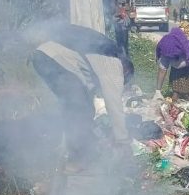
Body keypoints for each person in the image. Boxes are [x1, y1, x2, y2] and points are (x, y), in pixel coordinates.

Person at [30, 23, 133, 171]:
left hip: (44, 56)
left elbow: (88, 89)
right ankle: (78, 160)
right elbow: (114, 104)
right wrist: (123, 141)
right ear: (126, 71)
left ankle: (68, 148)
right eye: (124, 82)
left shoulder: (104, 57)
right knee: (80, 110)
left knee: (75, 107)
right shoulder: (115, 64)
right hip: (53, 59)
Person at [153, 22, 189, 103]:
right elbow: (162, 70)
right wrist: (158, 91)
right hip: (181, 57)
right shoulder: (165, 48)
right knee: (176, 70)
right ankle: (176, 93)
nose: (170, 59)